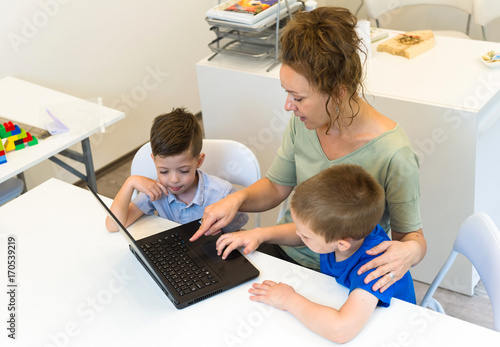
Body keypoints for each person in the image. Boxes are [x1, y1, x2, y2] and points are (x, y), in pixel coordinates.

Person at [191, 7, 426, 293]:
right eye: (287, 93)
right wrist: (236, 199)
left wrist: (410, 252)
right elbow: (277, 188)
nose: (288, 106)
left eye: (298, 97)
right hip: (287, 250)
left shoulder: (394, 153)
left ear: (338, 92)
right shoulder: (304, 122)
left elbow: (411, 237)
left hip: (346, 274)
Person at [216, 164, 416, 343]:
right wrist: (259, 234)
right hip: (354, 307)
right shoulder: (344, 235)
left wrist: (288, 300)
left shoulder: (374, 266)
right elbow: (305, 233)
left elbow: (341, 330)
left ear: (341, 244)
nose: (297, 234)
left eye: (305, 236)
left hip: (394, 330)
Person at [105, 107, 248, 232]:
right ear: (154, 161)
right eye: (164, 171)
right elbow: (113, 225)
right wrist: (130, 182)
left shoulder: (222, 194)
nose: (173, 180)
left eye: (184, 171)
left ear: (199, 161)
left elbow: (236, 233)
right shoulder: (155, 190)